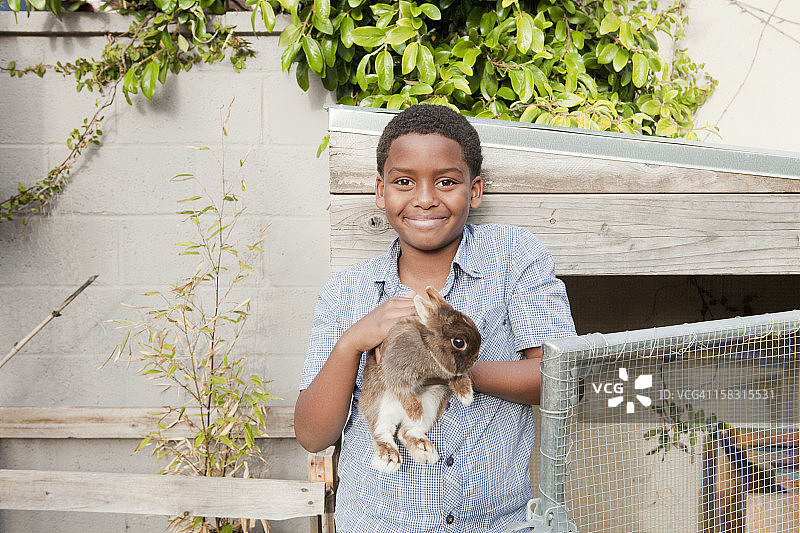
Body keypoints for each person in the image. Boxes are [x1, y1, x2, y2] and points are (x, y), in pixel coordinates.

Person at [294, 104, 575, 532]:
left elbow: (558, 379)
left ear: (474, 191)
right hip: (377, 521)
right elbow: (314, 434)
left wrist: (449, 366)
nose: (425, 198)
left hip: (493, 524)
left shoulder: (514, 258)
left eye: (446, 181)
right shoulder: (347, 292)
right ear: (380, 191)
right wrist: (353, 342)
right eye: (404, 182)